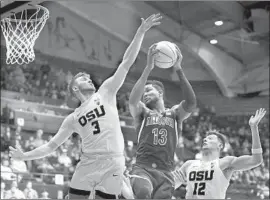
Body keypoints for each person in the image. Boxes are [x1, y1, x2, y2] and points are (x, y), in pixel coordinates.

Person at [9, 13, 162, 199]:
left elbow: (126, 62)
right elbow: (50, 146)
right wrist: (24, 156)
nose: (89, 78)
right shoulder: (72, 118)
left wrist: (140, 32)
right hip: (88, 163)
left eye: (88, 77)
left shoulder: (105, 91)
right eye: (83, 78)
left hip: (114, 162)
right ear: (75, 88)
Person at [128, 43, 197, 198]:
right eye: (143, 92)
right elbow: (132, 101)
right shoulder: (143, 113)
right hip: (142, 168)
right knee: (143, 192)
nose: (144, 94)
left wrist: (178, 69)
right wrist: (148, 68)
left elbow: (191, 103)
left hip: (165, 172)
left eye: (148, 90)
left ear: (159, 92)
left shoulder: (175, 114)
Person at [173, 108, 266, 199]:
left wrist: (254, 127)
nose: (205, 139)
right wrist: (175, 183)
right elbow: (170, 185)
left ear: (220, 145)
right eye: (205, 139)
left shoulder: (225, 163)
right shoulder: (189, 164)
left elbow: (256, 160)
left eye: (210, 138)